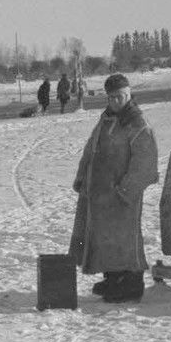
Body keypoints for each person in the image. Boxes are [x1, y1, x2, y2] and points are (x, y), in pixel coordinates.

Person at [69, 73, 159, 303]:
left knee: (124, 240)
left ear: (129, 95)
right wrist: (82, 177)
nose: (116, 102)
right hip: (99, 195)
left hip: (121, 196)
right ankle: (112, 278)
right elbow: (91, 149)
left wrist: (126, 190)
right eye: (112, 98)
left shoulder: (138, 124)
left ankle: (130, 284)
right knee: (102, 238)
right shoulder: (106, 119)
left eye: (120, 97)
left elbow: (145, 163)